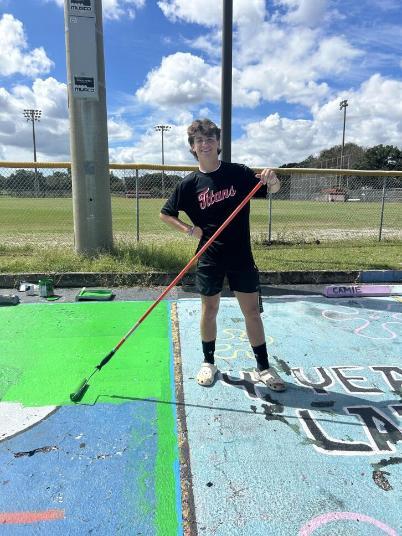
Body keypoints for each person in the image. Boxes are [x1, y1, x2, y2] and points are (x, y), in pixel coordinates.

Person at [160, 118, 286, 391]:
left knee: (251, 312)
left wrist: (273, 179)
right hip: (209, 256)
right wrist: (189, 229)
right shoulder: (188, 184)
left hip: (241, 255)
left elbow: (272, 189)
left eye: (210, 139)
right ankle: (208, 363)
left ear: (218, 143)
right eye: (199, 140)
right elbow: (166, 214)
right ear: (192, 147)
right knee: (209, 310)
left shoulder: (238, 173)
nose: (205, 144)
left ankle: (264, 367)